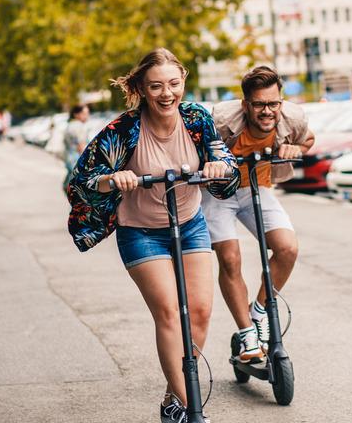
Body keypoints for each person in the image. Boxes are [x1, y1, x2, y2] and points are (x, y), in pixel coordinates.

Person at [66, 48, 240, 422]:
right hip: (141, 231)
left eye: (173, 84)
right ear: (142, 89)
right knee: (169, 313)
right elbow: (80, 181)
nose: (167, 93)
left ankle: (173, 399)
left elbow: (225, 159)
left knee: (199, 313)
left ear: (183, 81)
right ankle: (193, 409)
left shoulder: (196, 118)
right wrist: (113, 178)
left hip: (190, 223)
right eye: (157, 86)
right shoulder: (123, 129)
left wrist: (218, 166)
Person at [201, 66, 314, 364]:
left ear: (281, 101)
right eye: (259, 104)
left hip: (256, 186)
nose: (267, 111)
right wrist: (209, 162)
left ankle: (260, 310)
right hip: (218, 191)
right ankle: (247, 333)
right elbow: (193, 151)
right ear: (245, 104)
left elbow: (308, 140)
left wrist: (294, 148)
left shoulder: (292, 118)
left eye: (273, 103)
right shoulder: (220, 122)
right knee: (230, 259)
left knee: (287, 249)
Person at [62, 104, 91, 192]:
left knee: (69, 185)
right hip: (77, 160)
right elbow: (81, 146)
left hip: (69, 159)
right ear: (76, 114)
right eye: (84, 113)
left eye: (87, 113)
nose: (87, 116)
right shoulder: (79, 126)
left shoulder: (69, 125)